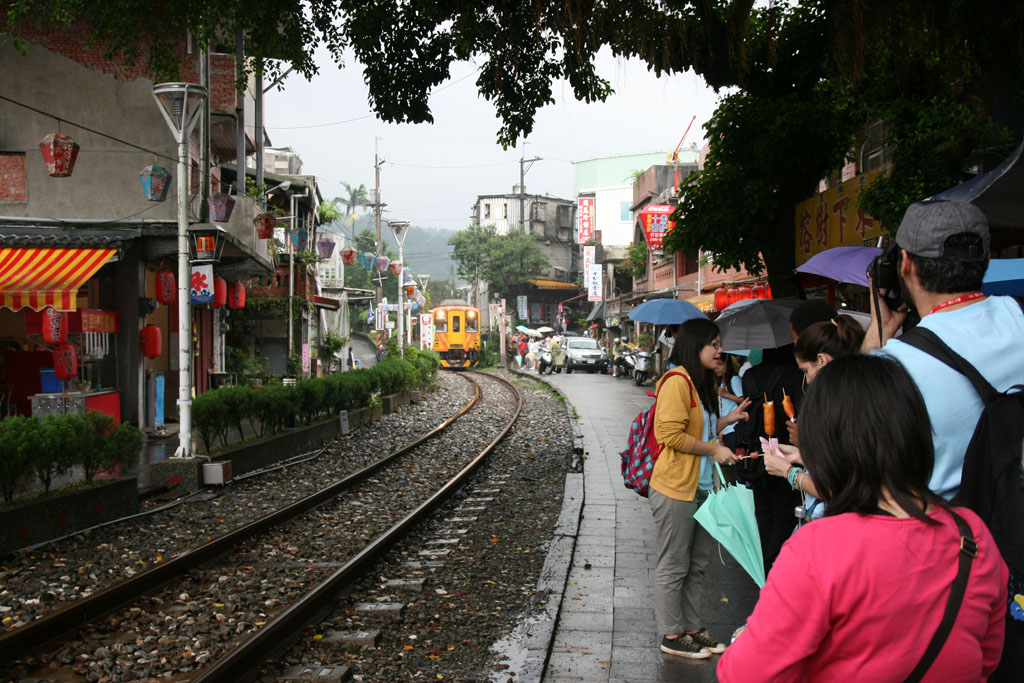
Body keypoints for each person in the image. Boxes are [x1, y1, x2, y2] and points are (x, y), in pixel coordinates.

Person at [718, 355, 1008, 682]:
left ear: (826, 442)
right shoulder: (973, 536)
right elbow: (987, 658)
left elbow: (743, 674)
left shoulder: (817, 549)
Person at [862, 198, 1024, 679]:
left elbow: (861, 468)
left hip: (954, 582)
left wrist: (878, 336)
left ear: (904, 264)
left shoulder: (895, 368)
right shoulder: (1019, 317)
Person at [650, 318, 750, 659]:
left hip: (701, 487)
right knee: (674, 564)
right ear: (696, 346)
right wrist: (714, 449)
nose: (720, 351)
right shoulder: (676, 382)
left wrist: (727, 420)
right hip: (675, 488)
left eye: (720, 344)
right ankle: (672, 634)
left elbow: (700, 427)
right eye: (714, 345)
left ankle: (693, 628)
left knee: (697, 564)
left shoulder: (698, 382)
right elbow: (671, 436)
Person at [764, 315, 865, 521]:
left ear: (822, 360)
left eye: (806, 371)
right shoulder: (861, 396)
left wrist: (789, 472)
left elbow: (834, 489)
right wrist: (803, 456)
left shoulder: (839, 409)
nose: (808, 380)